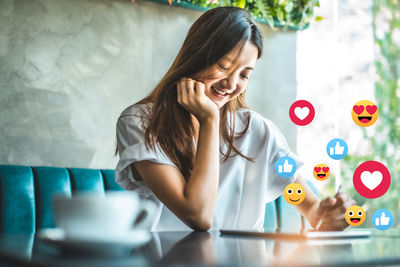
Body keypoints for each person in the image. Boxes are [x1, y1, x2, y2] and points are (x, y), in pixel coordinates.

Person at [115, 6, 354, 231]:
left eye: (244, 74)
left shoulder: (257, 130)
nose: (231, 84)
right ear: (195, 57)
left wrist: (328, 214)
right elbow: (197, 215)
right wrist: (210, 120)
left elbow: (311, 208)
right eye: (223, 66)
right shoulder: (140, 122)